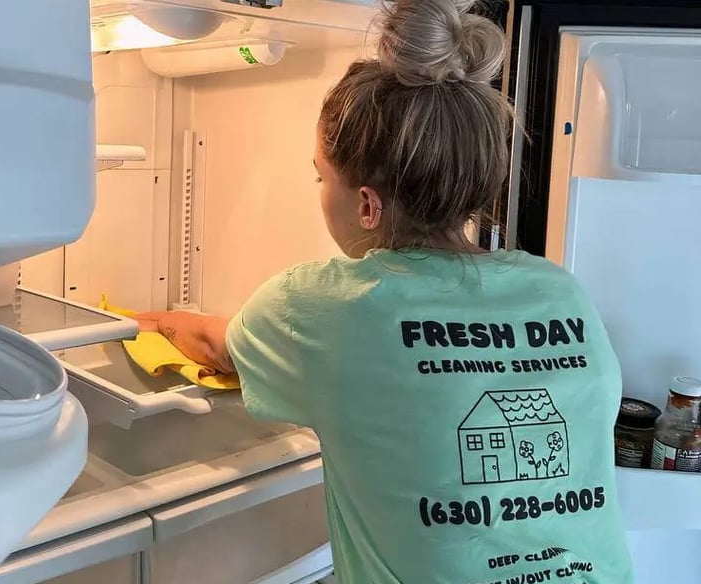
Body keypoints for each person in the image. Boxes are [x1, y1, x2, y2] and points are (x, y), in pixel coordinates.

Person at [138, 0, 633, 581]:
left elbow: (213, 344)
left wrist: (137, 320)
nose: (319, 189)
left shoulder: (322, 307)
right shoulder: (561, 293)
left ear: (368, 204)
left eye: (321, 176)